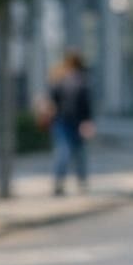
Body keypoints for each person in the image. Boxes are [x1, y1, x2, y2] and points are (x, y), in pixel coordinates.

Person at [46, 50, 93, 195]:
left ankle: (60, 184)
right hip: (73, 121)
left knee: (64, 153)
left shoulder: (59, 78)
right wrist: (87, 121)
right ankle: (80, 182)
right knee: (76, 154)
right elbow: (86, 104)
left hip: (62, 121)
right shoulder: (81, 80)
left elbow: (52, 100)